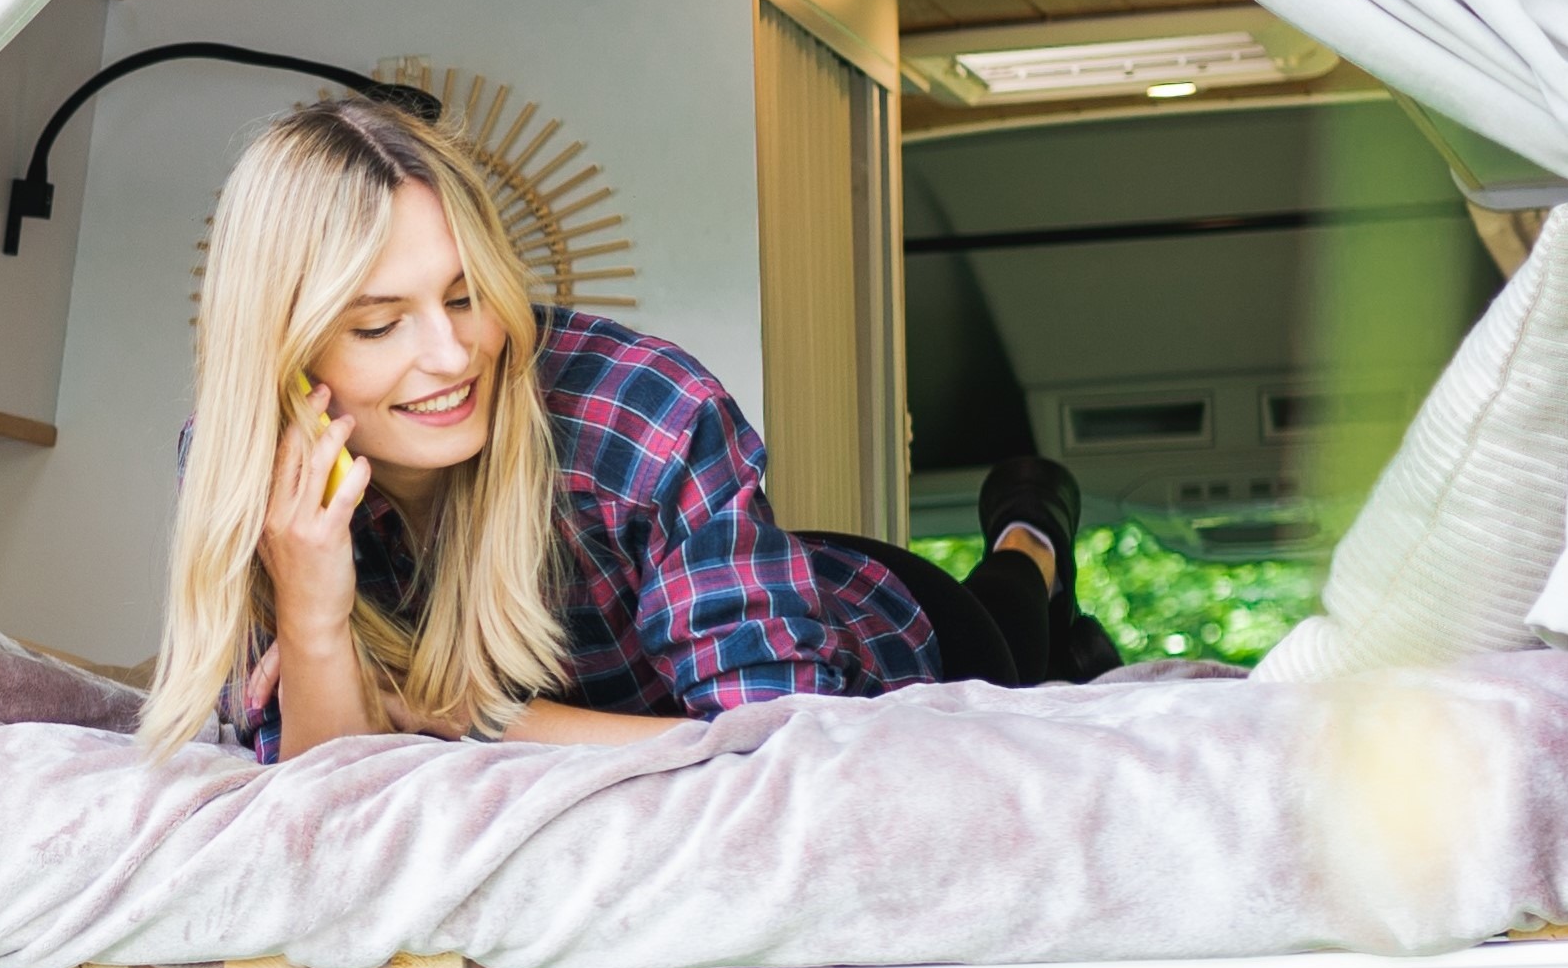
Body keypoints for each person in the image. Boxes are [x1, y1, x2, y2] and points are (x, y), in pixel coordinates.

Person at [134, 95, 1118, 768]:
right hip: (702, 631)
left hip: (889, 632)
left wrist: (485, 719)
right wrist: (312, 608)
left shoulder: (644, 412)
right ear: (288, 356)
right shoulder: (245, 469)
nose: (450, 354)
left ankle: (1031, 527)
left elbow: (787, 754)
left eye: (469, 295)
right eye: (380, 323)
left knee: (1015, 621)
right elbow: (324, 793)